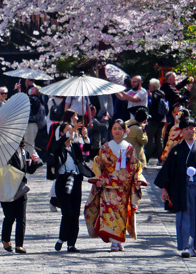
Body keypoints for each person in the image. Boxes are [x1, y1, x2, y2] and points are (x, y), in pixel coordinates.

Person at [155, 116, 196, 258]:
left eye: (192, 128)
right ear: (182, 132)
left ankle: (194, 246)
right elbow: (168, 170)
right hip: (182, 187)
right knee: (183, 215)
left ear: (195, 129)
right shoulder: (177, 150)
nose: (190, 131)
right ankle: (186, 246)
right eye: (186, 129)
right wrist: (164, 188)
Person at [85, 118, 146, 251]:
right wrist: (99, 178)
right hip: (108, 187)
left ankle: (118, 241)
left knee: (121, 215)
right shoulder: (106, 147)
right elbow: (98, 164)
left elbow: (136, 166)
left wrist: (137, 179)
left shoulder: (129, 148)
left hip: (123, 188)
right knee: (109, 214)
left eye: (120, 128)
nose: (117, 131)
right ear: (111, 131)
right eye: (114, 128)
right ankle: (114, 241)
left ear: (124, 131)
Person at [48, 122, 87, 252]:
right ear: (62, 133)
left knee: (75, 213)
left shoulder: (75, 146)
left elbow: (88, 150)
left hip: (75, 180)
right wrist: (71, 132)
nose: (72, 132)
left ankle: (71, 243)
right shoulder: (58, 146)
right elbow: (58, 144)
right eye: (69, 130)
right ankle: (61, 238)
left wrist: (85, 137)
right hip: (63, 181)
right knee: (67, 212)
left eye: (73, 130)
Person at [0, 142, 40, 253]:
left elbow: (29, 170)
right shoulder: (5, 152)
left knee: (21, 217)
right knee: (10, 216)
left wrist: (35, 162)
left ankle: (19, 245)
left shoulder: (25, 153)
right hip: (7, 187)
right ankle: (6, 240)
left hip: (21, 188)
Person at [146, 79, 168, 161]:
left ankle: (147, 157)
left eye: (150, 85)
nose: (148, 86)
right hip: (162, 119)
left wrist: (149, 96)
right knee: (159, 139)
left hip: (153, 119)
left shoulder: (154, 95)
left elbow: (150, 106)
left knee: (149, 138)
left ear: (153, 86)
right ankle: (161, 157)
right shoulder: (162, 94)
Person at [125, 107, 149, 171]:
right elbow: (143, 141)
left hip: (124, 155)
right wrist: (144, 132)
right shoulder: (138, 129)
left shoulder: (126, 123)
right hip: (135, 158)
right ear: (144, 120)